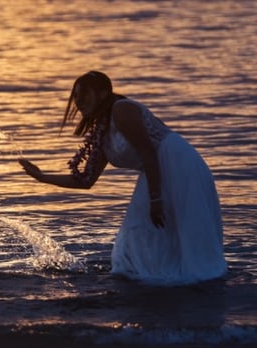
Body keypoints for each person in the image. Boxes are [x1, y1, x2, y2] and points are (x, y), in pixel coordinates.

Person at [18, 71, 226, 285]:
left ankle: (192, 284)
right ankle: (161, 285)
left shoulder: (122, 110)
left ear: (102, 94)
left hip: (176, 164)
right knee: (139, 237)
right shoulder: (103, 129)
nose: (79, 102)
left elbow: (148, 152)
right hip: (154, 170)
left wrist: (155, 199)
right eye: (76, 96)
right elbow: (86, 181)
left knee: (161, 229)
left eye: (84, 95)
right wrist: (41, 177)